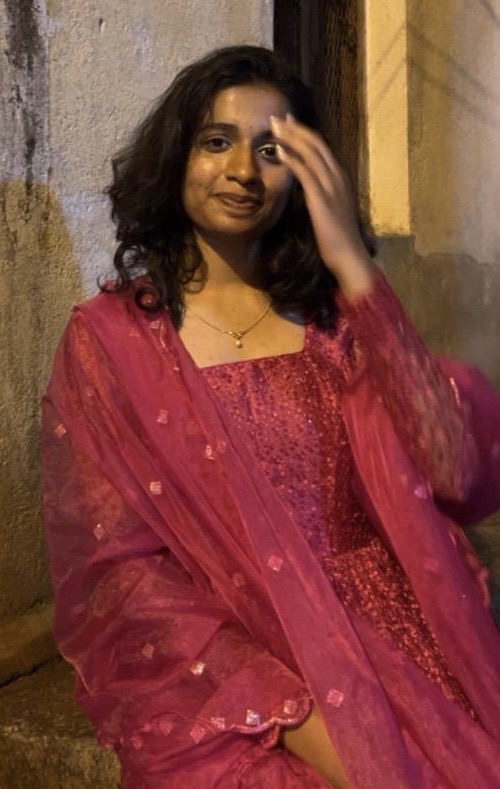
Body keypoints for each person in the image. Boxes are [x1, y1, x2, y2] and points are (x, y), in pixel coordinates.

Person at [42, 45, 500, 788]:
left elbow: (453, 467)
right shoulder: (113, 342)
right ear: (176, 156)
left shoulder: (333, 323)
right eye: (216, 141)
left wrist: (353, 265)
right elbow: (121, 572)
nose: (243, 173)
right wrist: (294, 711)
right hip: (226, 661)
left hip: (391, 637)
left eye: (271, 151)